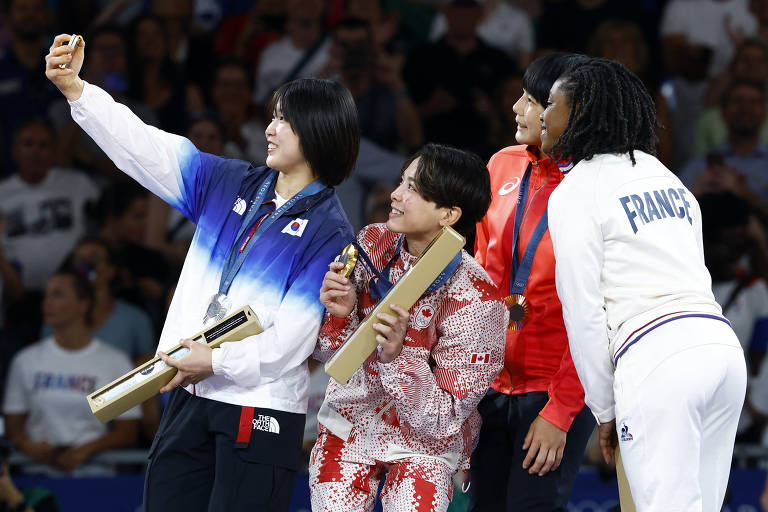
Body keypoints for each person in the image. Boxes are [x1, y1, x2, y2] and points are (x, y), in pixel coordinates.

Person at [45, 33, 359, 511]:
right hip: (188, 389)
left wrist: (213, 361)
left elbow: (292, 342)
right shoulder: (229, 181)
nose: (270, 129)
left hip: (260, 405)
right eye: (272, 116)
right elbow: (145, 146)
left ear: (318, 130)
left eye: (284, 120)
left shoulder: (331, 233)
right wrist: (78, 90)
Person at [543, 58, 747, 511]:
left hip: (657, 358)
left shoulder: (575, 190)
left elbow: (583, 310)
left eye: (552, 105)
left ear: (579, 113)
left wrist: (605, 409)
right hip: (721, 350)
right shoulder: (665, 176)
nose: (542, 116)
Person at [310, 143, 507, 511]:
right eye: (402, 182)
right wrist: (340, 314)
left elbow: (441, 420)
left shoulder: (478, 299)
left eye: (413, 189)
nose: (395, 194)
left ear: (449, 214)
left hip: (425, 447)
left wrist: (399, 356)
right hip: (350, 424)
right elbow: (328, 354)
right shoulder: (372, 242)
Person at [470, 53, 595, 512]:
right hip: (486, 384)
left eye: (530, 99)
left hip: (550, 390)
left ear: (564, 110)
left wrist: (561, 412)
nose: (516, 109)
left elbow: (598, 314)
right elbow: (479, 273)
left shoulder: (593, 184)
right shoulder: (501, 165)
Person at [3, 269, 140, 476]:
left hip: (95, 474)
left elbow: (128, 431)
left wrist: (86, 450)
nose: (46, 303)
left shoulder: (115, 361)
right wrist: (29, 446)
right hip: (38, 474)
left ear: (83, 304)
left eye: (57, 295)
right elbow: (13, 427)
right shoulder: (26, 360)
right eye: (46, 295)